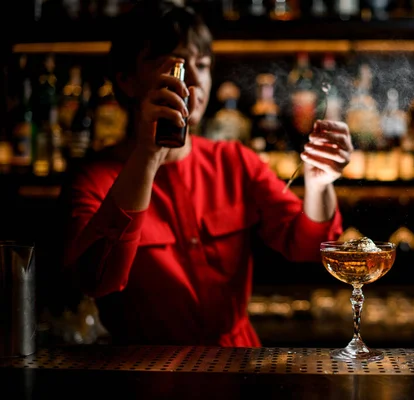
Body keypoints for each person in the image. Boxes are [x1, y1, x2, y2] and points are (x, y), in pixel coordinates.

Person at [61, 0, 352, 347]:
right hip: (145, 374)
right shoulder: (94, 178)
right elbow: (96, 280)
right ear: (126, 79)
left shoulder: (235, 161)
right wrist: (148, 154)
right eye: (177, 66)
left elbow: (307, 247)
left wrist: (318, 184)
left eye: (203, 65)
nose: (196, 81)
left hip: (238, 365)